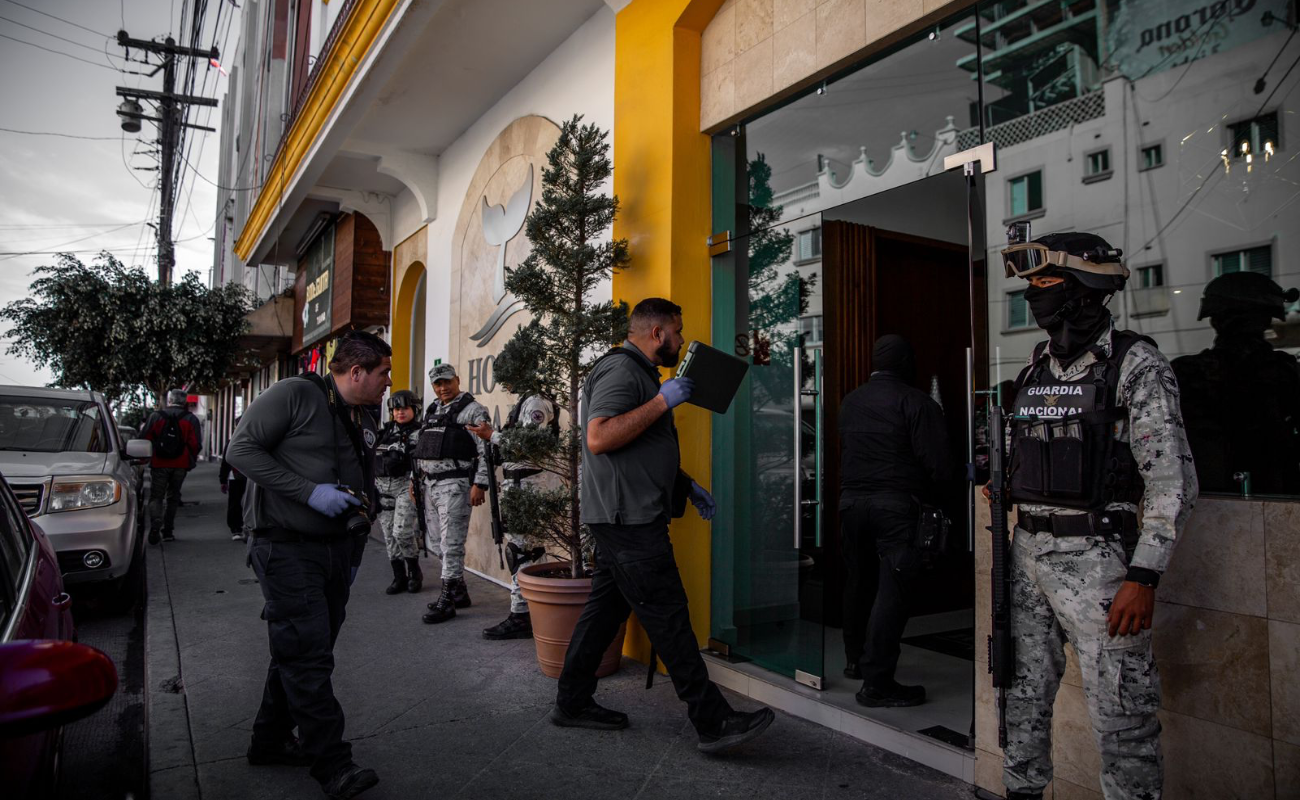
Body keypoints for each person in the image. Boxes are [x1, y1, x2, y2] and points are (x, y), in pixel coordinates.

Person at [996, 232, 1198, 800]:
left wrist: (1144, 574)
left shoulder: (1136, 364)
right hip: (1027, 554)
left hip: (1100, 564)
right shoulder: (1036, 368)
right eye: (1030, 286)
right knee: (1022, 697)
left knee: (1121, 714)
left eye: (1045, 283)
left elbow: (1171, 480)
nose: (1034, 296)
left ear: (1085, 288)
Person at [552, 297, 775, 754]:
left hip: (626, 514)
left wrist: (685, 485)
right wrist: (660, 401)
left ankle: (572, 702)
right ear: (656, 333)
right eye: (678, 330)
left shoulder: (640, 373)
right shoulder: (623, 371)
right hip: (628, 519)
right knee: (669, 616)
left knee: (604, 614)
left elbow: (640, 448)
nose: (681, 339)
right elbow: (599, 437)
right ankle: (712, 721)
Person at [226, 330, 391, 800]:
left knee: (300, 652)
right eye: (382, 373)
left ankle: (269, 741)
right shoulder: (296, 392)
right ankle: (333, 765)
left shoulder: (360, 413)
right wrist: (308, 492)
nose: (388, 382)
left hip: (336, 552)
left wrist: (355, 555)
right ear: (355, 371)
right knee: (308, 655)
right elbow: (240, 451)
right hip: (286, 547)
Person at [838, 334, 958, 707]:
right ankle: (877, 683)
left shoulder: (851, 401)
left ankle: (855, 660)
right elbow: (939, 466)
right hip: (896, 509)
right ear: (906, 362)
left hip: (851, 504)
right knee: (894, 590)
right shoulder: (916, 402)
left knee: (859, 582)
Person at [1172, 271, 1300, 495]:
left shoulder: (1186, 372)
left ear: (1214, 319)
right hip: (1259, 490)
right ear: (1266, 319)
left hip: (1216, 492)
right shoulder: (1282, 371)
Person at [467, 393, 560, 640]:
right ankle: (533, 611)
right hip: (520, 484)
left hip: (529, 484)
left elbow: (528, 445)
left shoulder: (536, 402)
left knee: (522, 551)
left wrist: (492, 436)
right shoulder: (525, 402)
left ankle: (522, 615)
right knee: (528, 550)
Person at [414, 363, 490, 624]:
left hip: (455, 486)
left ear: (457, 380)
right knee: (436, 543)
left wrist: (480, 484)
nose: (443, 388)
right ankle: (459, 591)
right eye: (437, 384)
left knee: (451, 544)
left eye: (447, 382)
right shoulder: (433, 409)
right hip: (430, 486)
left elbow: (485, 451)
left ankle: (446, 600)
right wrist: (419, 484)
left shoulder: (473, 410)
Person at [375, 390, 424, 594]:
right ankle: (399, 576)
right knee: (389, 535)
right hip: (382, 487)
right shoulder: (383, 432)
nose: (400, 412)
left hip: (405, 486)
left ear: (414, 409)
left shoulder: (420, 433)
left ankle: (414, 571)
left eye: (405, 408)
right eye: (396, 409)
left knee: (402, 531)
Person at [142, 389, 202, 544]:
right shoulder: (191, 419)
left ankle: (156, 520)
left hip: (159, 463)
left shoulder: (156, 417)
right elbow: (195, 444)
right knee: (173, 497)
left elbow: (144, 438)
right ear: (184, 402)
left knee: (157, 496)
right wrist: (191, 460)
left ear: (169, 401)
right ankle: (168, 531)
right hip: (180, 464)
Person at [219, 417, 249, 542]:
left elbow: (225, 463)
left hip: (235, 476)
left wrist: (223, 480)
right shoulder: (254, 440)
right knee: (243, 502)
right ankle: (239, 527)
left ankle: (237, 529)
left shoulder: (232, 441)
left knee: (235, 503)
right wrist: (223, 480)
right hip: (248, 477)